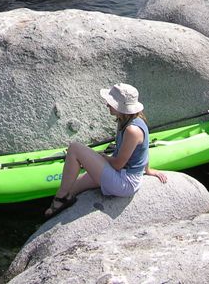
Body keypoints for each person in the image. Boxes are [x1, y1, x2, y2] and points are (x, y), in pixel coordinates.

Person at [44, 83, 167, 218]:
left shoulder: (132, 130)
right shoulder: (125, 120)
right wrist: (148, 170)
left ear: (122, 107)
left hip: (125, 182)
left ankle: (59, 199)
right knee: (72, 188)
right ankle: (64, 198)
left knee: (74, 148)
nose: (107, 105)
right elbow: (142, 151)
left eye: (110, 102)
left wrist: (103, 157)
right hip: (119, 172)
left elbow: (117, 164)